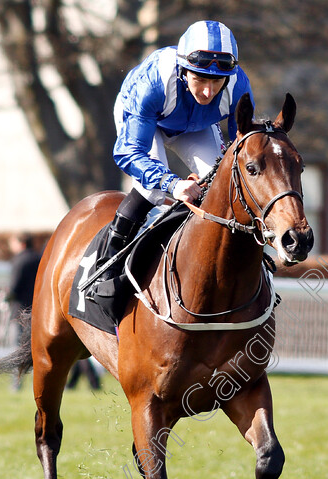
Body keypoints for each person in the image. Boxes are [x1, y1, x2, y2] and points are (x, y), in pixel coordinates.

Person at [89, 20, 254, 301]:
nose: (207, 92)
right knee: (153, 189)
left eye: (216, 81)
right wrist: (172, 183)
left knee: (221, 185)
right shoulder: (153, 82)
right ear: (183, 70)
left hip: (196, 126)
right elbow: (129, 153)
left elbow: (240, 154)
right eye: (200, 78)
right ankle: (105, 267)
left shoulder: (239, 88)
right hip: (147, 121)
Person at [7, 232, 41, 390]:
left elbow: (14, 288)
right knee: (38, 350)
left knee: (18, 350)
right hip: (39, 311)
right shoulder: (39, 258)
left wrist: (5, 298)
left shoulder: (19, 260)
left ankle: (16, 384)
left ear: (21, 244)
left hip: (20, 312)